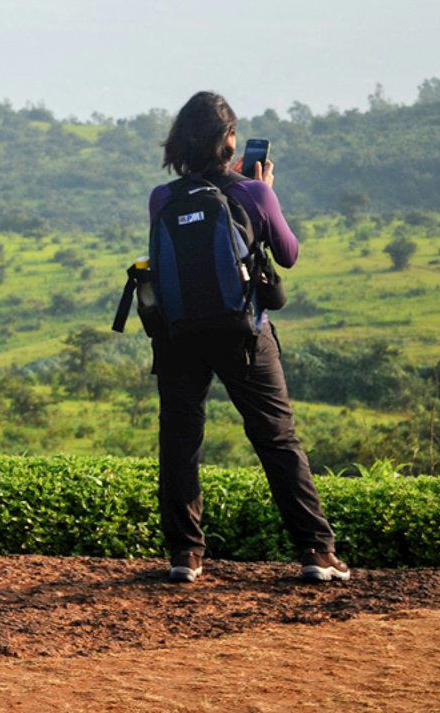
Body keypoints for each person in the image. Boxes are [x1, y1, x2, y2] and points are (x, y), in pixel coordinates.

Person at [150, 90, 348, 583]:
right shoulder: (253, 193)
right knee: (277, 439)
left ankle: (184, 556)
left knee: (180, 440)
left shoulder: (162, 197)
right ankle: (317, 553)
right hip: (243, 332)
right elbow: (288, 254)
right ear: (229, 140)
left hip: (177, 336)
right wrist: (266, 192)